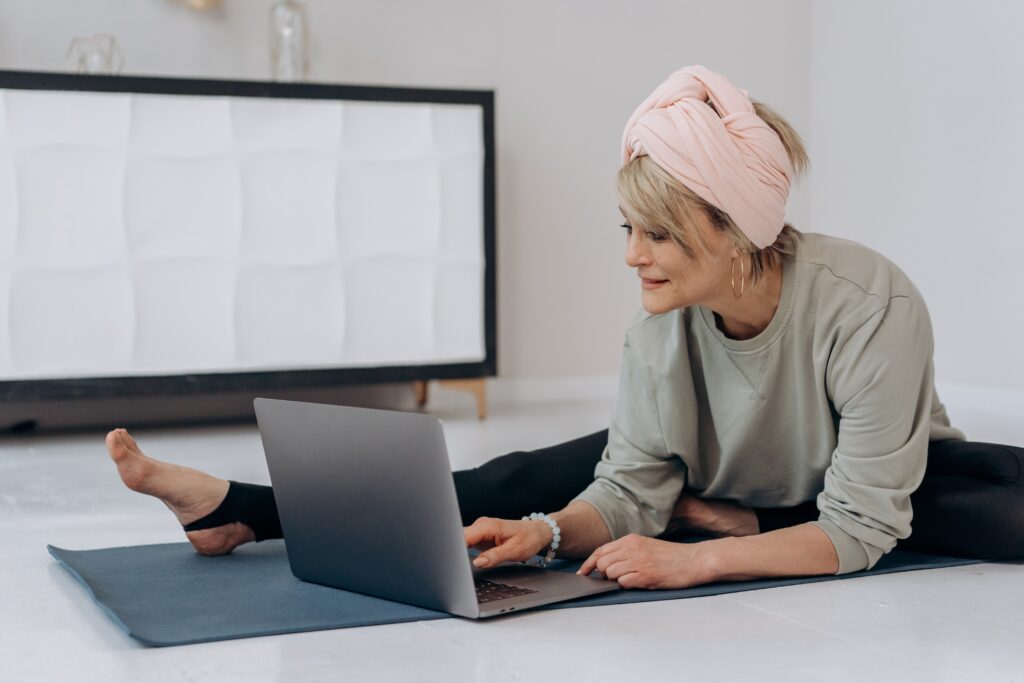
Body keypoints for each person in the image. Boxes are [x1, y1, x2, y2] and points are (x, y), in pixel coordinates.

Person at [106, 65, 1024, 589]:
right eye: (628, 229)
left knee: (979, 507)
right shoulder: (658, 333)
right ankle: (238, 509)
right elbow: (626, 491)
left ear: (734, 227)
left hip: (880, 480)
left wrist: (701, 562)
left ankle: (747, 519)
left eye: (658, 233)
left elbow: (862, 527)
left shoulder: (869, 306)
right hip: (715, 475)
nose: (634, 256)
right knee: (508, 482)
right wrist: (546, 532)